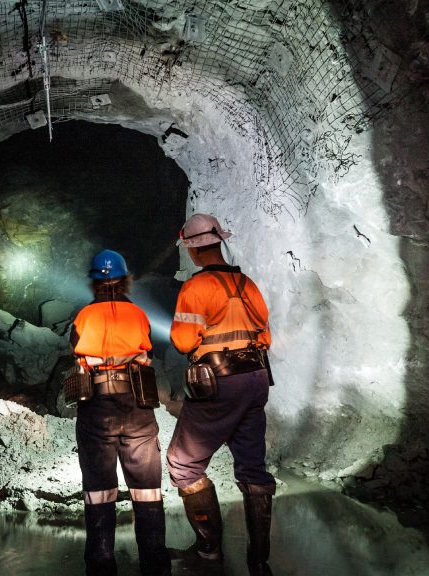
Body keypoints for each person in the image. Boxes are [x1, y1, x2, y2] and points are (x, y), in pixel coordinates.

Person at [166, 214, 277, 576]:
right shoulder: (248, 284)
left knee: (183, 462)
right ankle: (259, 560)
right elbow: (266, 337)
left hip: (218, 380)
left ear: (194, 251)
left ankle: (209, 551)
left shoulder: (195, 288)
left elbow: (183, 341)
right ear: (219, 242)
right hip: (256, 377)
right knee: (252, 466)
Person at [69, 249, 171, 576]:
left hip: (97, 405)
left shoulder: (83, 317)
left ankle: (100, 565)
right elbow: (149, 353)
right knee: (147, 490)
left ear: (95, 283)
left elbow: (75, 351)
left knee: (99, 490)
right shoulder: (139, 315)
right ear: (125, 279)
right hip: (137, 404)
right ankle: (155, 566)